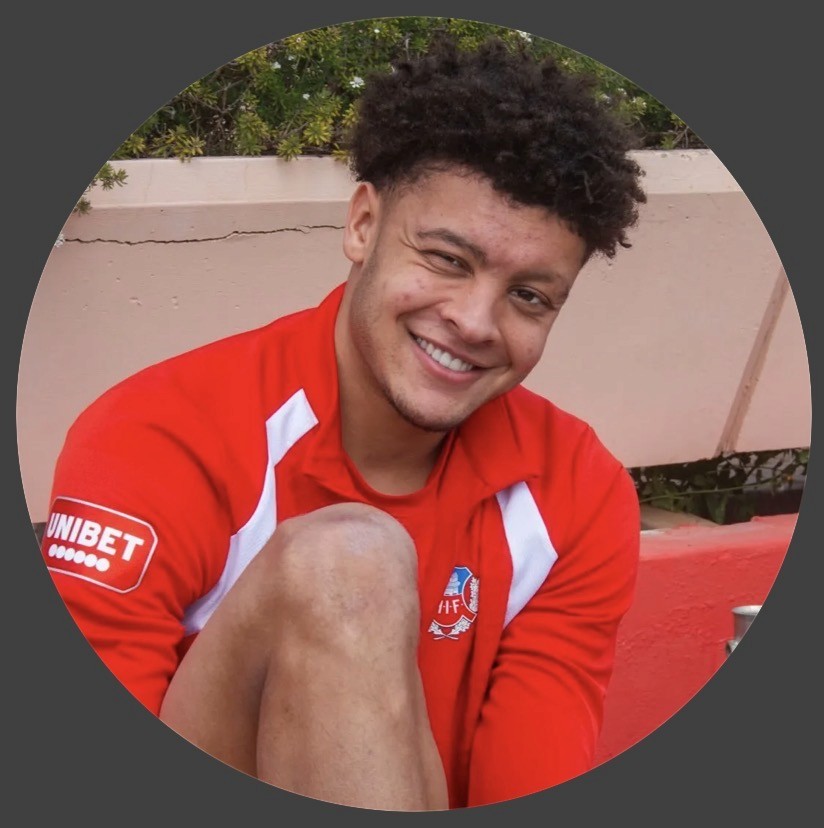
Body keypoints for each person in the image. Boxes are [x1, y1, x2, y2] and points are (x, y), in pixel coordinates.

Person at [41, 37, 646, 810]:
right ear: (363, 224)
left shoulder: (577, 493)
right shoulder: (160, 435)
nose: (473, 321)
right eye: (446, 259)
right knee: (348, 563)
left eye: (530, 296)